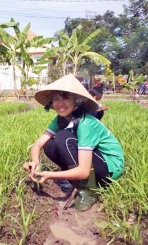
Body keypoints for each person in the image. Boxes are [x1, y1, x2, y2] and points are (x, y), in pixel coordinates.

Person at [23, 74, 124, 210]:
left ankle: (88, 192)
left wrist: (50, 175)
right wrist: (35, 162)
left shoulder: (86, 122)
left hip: (109, 169)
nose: (60, 103)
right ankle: (72, 181)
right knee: (50, 144)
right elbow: (38, 144)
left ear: (76, 101)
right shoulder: (59, 119)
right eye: (56, 99)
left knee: (63, 137)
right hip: (92, 162)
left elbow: (83, 171)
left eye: (65, 98)